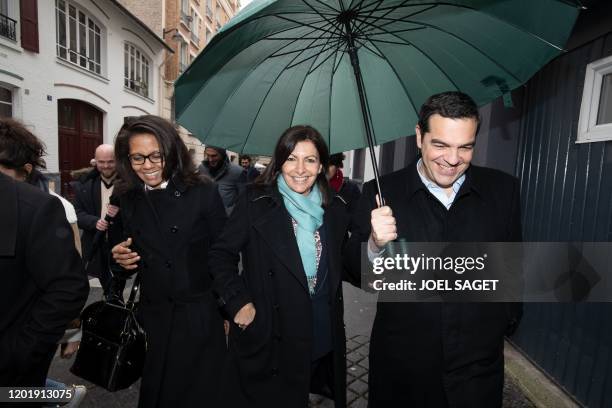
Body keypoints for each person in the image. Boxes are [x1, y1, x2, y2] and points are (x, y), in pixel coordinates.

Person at [345, 91, 522, 408]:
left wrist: (503, 321)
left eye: (464, 147)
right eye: (440, 145)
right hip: (403, 372)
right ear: (419, 136)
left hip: (476, 374)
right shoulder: (380, 193)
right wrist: (374, 244)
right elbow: (358, 273)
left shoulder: (503, 190)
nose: (452, 159)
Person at [208, 125, 357, 408]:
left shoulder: (335, 210)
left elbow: (351, 268)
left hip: (321, 334)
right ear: (279, 162)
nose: (300, 169)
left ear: (322, 165)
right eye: (291, 158)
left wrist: (377, 243)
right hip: (270, 334)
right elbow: (220, 254)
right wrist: (237, 302)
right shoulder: (255, 200)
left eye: (310, 160)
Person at [109, 115, 228, 407]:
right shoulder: (126, 195)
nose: (147, 166)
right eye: (137, 158)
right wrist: (119, 260)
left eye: (155, 156)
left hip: (198, 315)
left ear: (172, 152)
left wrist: (227, 309)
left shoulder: (203, 190)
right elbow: (117, 251)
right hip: (155, 317)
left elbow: (223, 253)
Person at [0, 118, 89, 388]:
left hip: (13, 374)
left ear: (25, 170)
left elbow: (69, 283)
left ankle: (61, 396)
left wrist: (23, 351)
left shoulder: (45, 207)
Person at [73, 144, 119, 293]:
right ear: (95, 162)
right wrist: (94, 222)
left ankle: (117, 308)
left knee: (118, 283)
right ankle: (112, 307)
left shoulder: (129, 184)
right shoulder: (84, 185)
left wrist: (121, 213)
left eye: (110, 161)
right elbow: (77, 213)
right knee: (106, 284)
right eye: (101, 162)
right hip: (96, 244)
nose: (106, 166)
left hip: (121, 244)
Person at [198, 145, 245, 214]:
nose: (210, 159)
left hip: (227, 219)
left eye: (214, 156)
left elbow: (243, 198)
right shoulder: (202, 168)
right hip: (205, 218)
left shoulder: (238, 171)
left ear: (222, 155)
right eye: (208, 155)